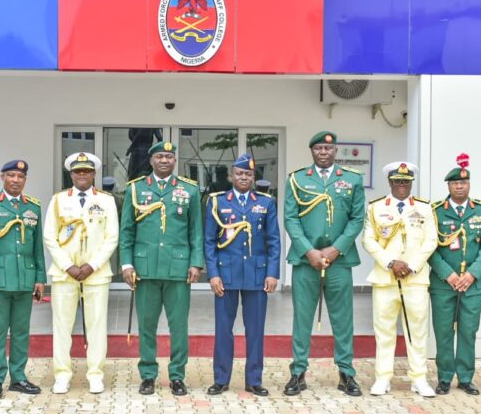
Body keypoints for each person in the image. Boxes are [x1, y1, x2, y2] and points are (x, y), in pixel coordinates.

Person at [283, 131, 365, 397]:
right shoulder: (296, 180)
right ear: (312, 151)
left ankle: (346, 373)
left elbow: (357, 219)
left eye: (327, 149)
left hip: (339, 262)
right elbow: (290, 219)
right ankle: (298, 372)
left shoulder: (352, 180)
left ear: (335, 151)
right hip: (306, 262)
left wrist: (335, 248)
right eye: (318, 148)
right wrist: (309, 251)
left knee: (343, 319)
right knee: (302, 318)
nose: (323, 152)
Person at [119, 141, 204, 396]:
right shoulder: (135, 189)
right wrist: (126, 263)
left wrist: (196, 262)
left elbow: (195, 230)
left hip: (178, 269)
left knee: (179, 327)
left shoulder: (189, 190)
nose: (164, 160)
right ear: (151, 160)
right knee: (146, 325)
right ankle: (148, 375)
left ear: (175, 160)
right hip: (145, 269)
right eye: (159, 156)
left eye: (169, 156)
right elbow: (127, 231)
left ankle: (177, 375)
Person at [204, 154, 280, 397]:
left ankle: (254, 380)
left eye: (248, 174)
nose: (243, 177)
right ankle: (221, 379)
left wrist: (272, 273)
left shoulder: (266, 203)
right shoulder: (216, 202)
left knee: (255, 329)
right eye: (239, 173)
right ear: (231, 175)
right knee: (223, 329)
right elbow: (208, 242)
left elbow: (274, 241)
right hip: (225, 274)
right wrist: (213, 274)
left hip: (257, 275)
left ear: (253, 177)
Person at [44, 153, 119, 394]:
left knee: (97, 325)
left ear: (94, 174)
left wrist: (91, 265)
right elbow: (50, 237)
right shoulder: (58, 200)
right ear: (71, 174)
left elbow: (112, 237)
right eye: (78, 171)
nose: (82, 175)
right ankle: (62, 375)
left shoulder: (106, 201)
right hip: (64, 273)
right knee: (62, 325)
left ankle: (95, 374)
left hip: (96, 273)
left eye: (87, 171)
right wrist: (68, 266)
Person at [362, 162, 437, 397]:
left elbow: (431, 241)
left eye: (406, 181)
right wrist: (391, 262)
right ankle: (383, 378)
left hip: (415, 279)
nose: (402, 185)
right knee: (383, 330)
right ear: (390, 182)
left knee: (417, 331)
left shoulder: (424, 208)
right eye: (397, 181)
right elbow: (368, 240)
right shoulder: (375, 208)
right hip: (386, 277)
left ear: (411, 182)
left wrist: (412, 266)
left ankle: (419, 378)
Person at [0, 160, 46, 399]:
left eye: (20, 176)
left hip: (25, 278)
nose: (16, 180)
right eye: (11, 175)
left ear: (25, 180)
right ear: (2, 177)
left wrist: (40, 278)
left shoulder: (33, 207)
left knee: (22, 331)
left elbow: (37, 248)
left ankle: (18, 377)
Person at [428, 154, 481, 395]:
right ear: (448, 186)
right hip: (443, 283)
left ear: (469, 185)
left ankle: (466, 377)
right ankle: (444, 377)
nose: (460, 186)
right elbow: (429, 248)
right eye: (455, 183)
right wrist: (448, 274)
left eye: (464, 183)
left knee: (468, 331)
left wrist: (473, 275)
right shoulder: (435, 212)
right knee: (444, 331)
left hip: (472, 285)